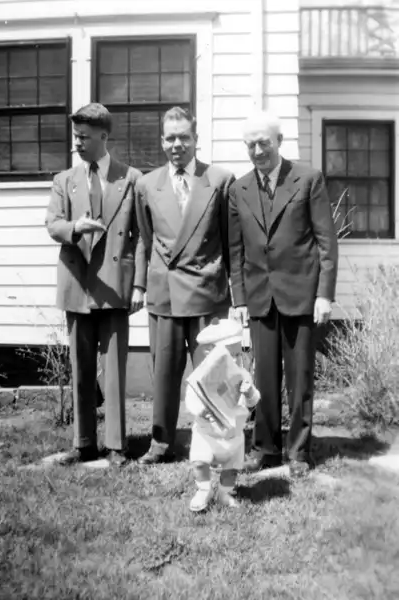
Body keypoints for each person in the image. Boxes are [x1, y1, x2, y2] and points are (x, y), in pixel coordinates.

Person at [228, 111, 338, 474]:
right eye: (250, 145)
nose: (258, 151)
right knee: (263, 379)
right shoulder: (238, 189)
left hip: (301, 293)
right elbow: (236, 251)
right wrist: (239, 299)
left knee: (300, 376)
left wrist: (324, 294)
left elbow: (326, 241)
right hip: (260, 295)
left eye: (264, 143)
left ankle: (299, 451)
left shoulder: (308, 179)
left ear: (279, 142)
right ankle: (267, 448)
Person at [44, 102, 145, 466]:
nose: (77, 143)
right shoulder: (64, 180)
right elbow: (52, 223)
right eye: (75, 136)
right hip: (77, 284)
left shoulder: (131, 178)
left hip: (115, 284)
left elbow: (141, 238)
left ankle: (117, 446)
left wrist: (139, 286)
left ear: (104, 136)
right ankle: (83, 442)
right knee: (81, 367)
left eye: (84, 137)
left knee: (115, 370)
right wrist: (75, 229)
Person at [134, 106, 236, 465]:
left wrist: (235, 296)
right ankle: (161, 443)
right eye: (170, 138)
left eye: (184, 137)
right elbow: (146, 241)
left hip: (208, 292)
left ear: (196, 139)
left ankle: (219, 442)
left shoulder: (220, 180)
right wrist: (141, 287)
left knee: (213, 375)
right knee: (164, 374)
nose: (176, 144)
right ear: (162, 141)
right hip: (165, 294)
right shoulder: (147, 184)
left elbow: (229, 240)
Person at [184, 318, 259, 512]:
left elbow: (253, 401)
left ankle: (225, 492)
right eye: (229, 356)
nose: (235, 360)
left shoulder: (242, 375)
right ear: (211, 353)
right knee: (200, 462)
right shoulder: (202, 376)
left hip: (233, 434)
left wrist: (249, 392)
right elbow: (191, 398)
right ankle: (203, 489)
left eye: (237, 354)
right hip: (207, 433)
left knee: (231, 468)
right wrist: (200, 410)